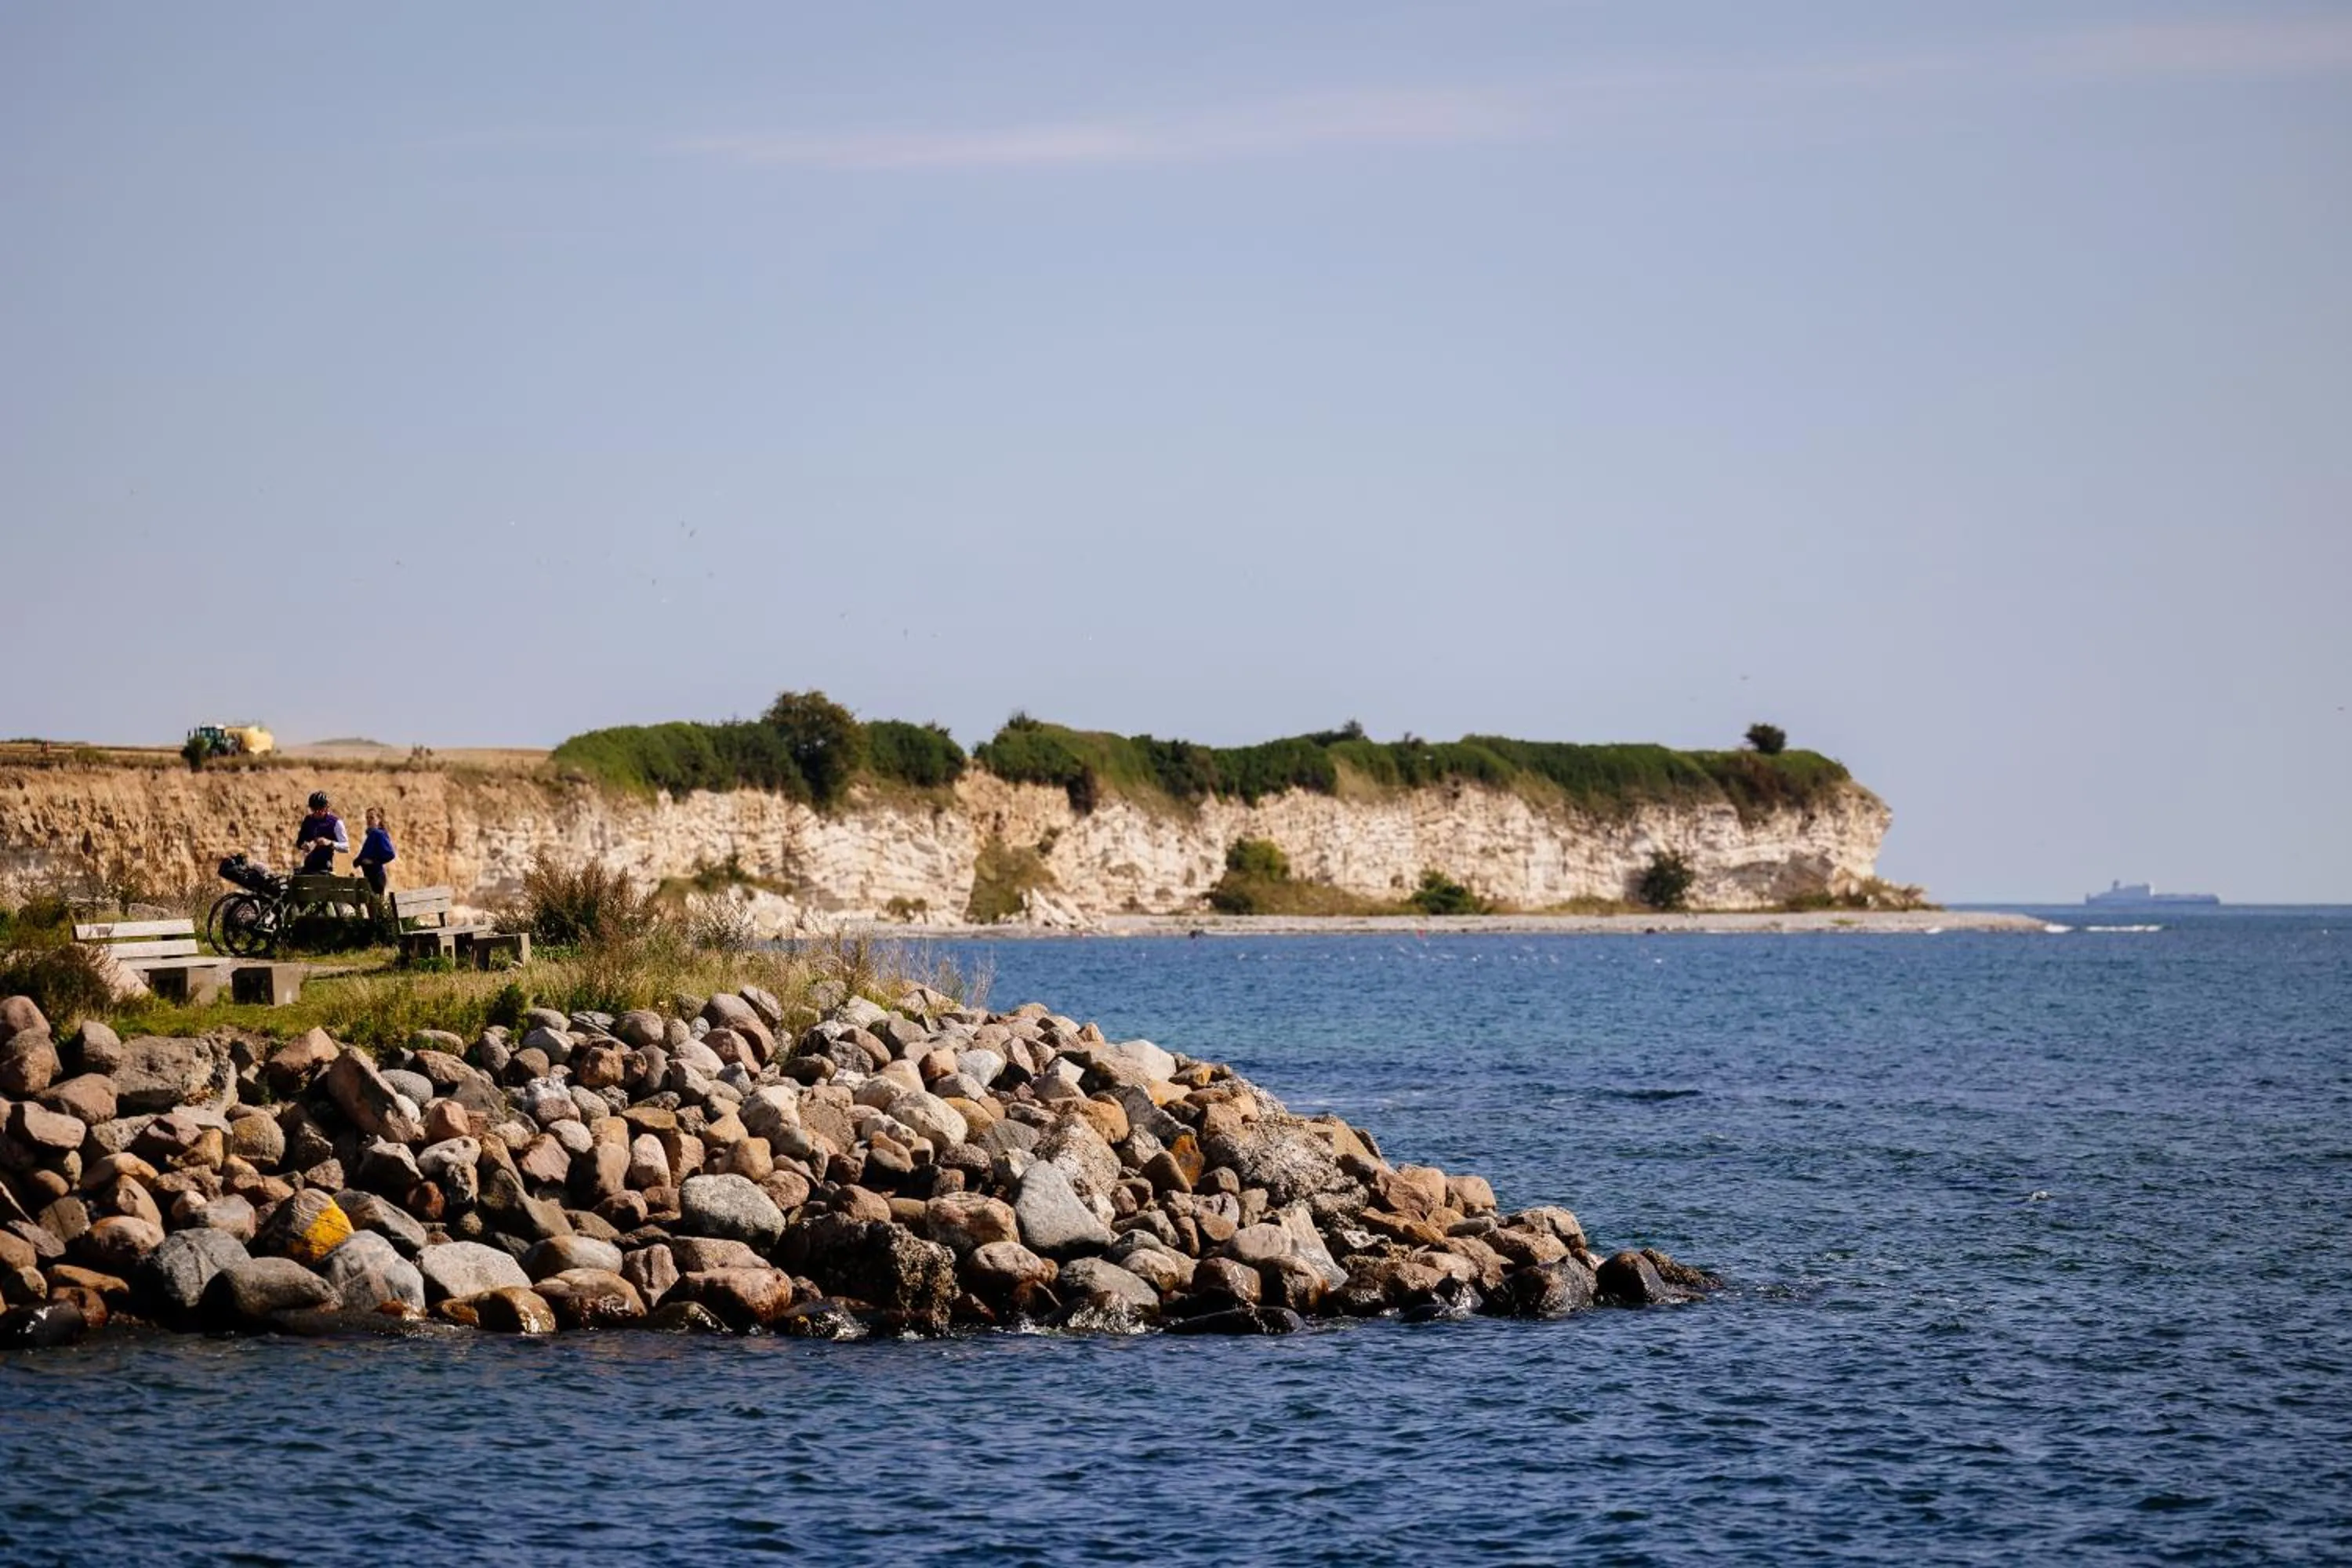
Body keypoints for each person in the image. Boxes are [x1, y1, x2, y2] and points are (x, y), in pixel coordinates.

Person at [296, 790, 348, 874]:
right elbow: (299, 842)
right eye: (314, 809)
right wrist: (304, 846)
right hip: (309, 865)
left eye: (320, 809)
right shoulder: (308, 820)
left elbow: (346, 847)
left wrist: (330, 843)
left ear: (327, 808)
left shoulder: (336, 823)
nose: (317, 812)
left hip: (325, 867)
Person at [354, 807, 397, 895]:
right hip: (371, 877)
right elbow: (364, 856)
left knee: (375, 907)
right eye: (367, 818)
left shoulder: (378, 833)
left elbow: (390, 854)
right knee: (374, 907)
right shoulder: (372, 835)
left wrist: (373, 862)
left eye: (372, 818)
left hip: (376, 878)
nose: (369, 820)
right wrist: (359, 861)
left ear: (379, 820)